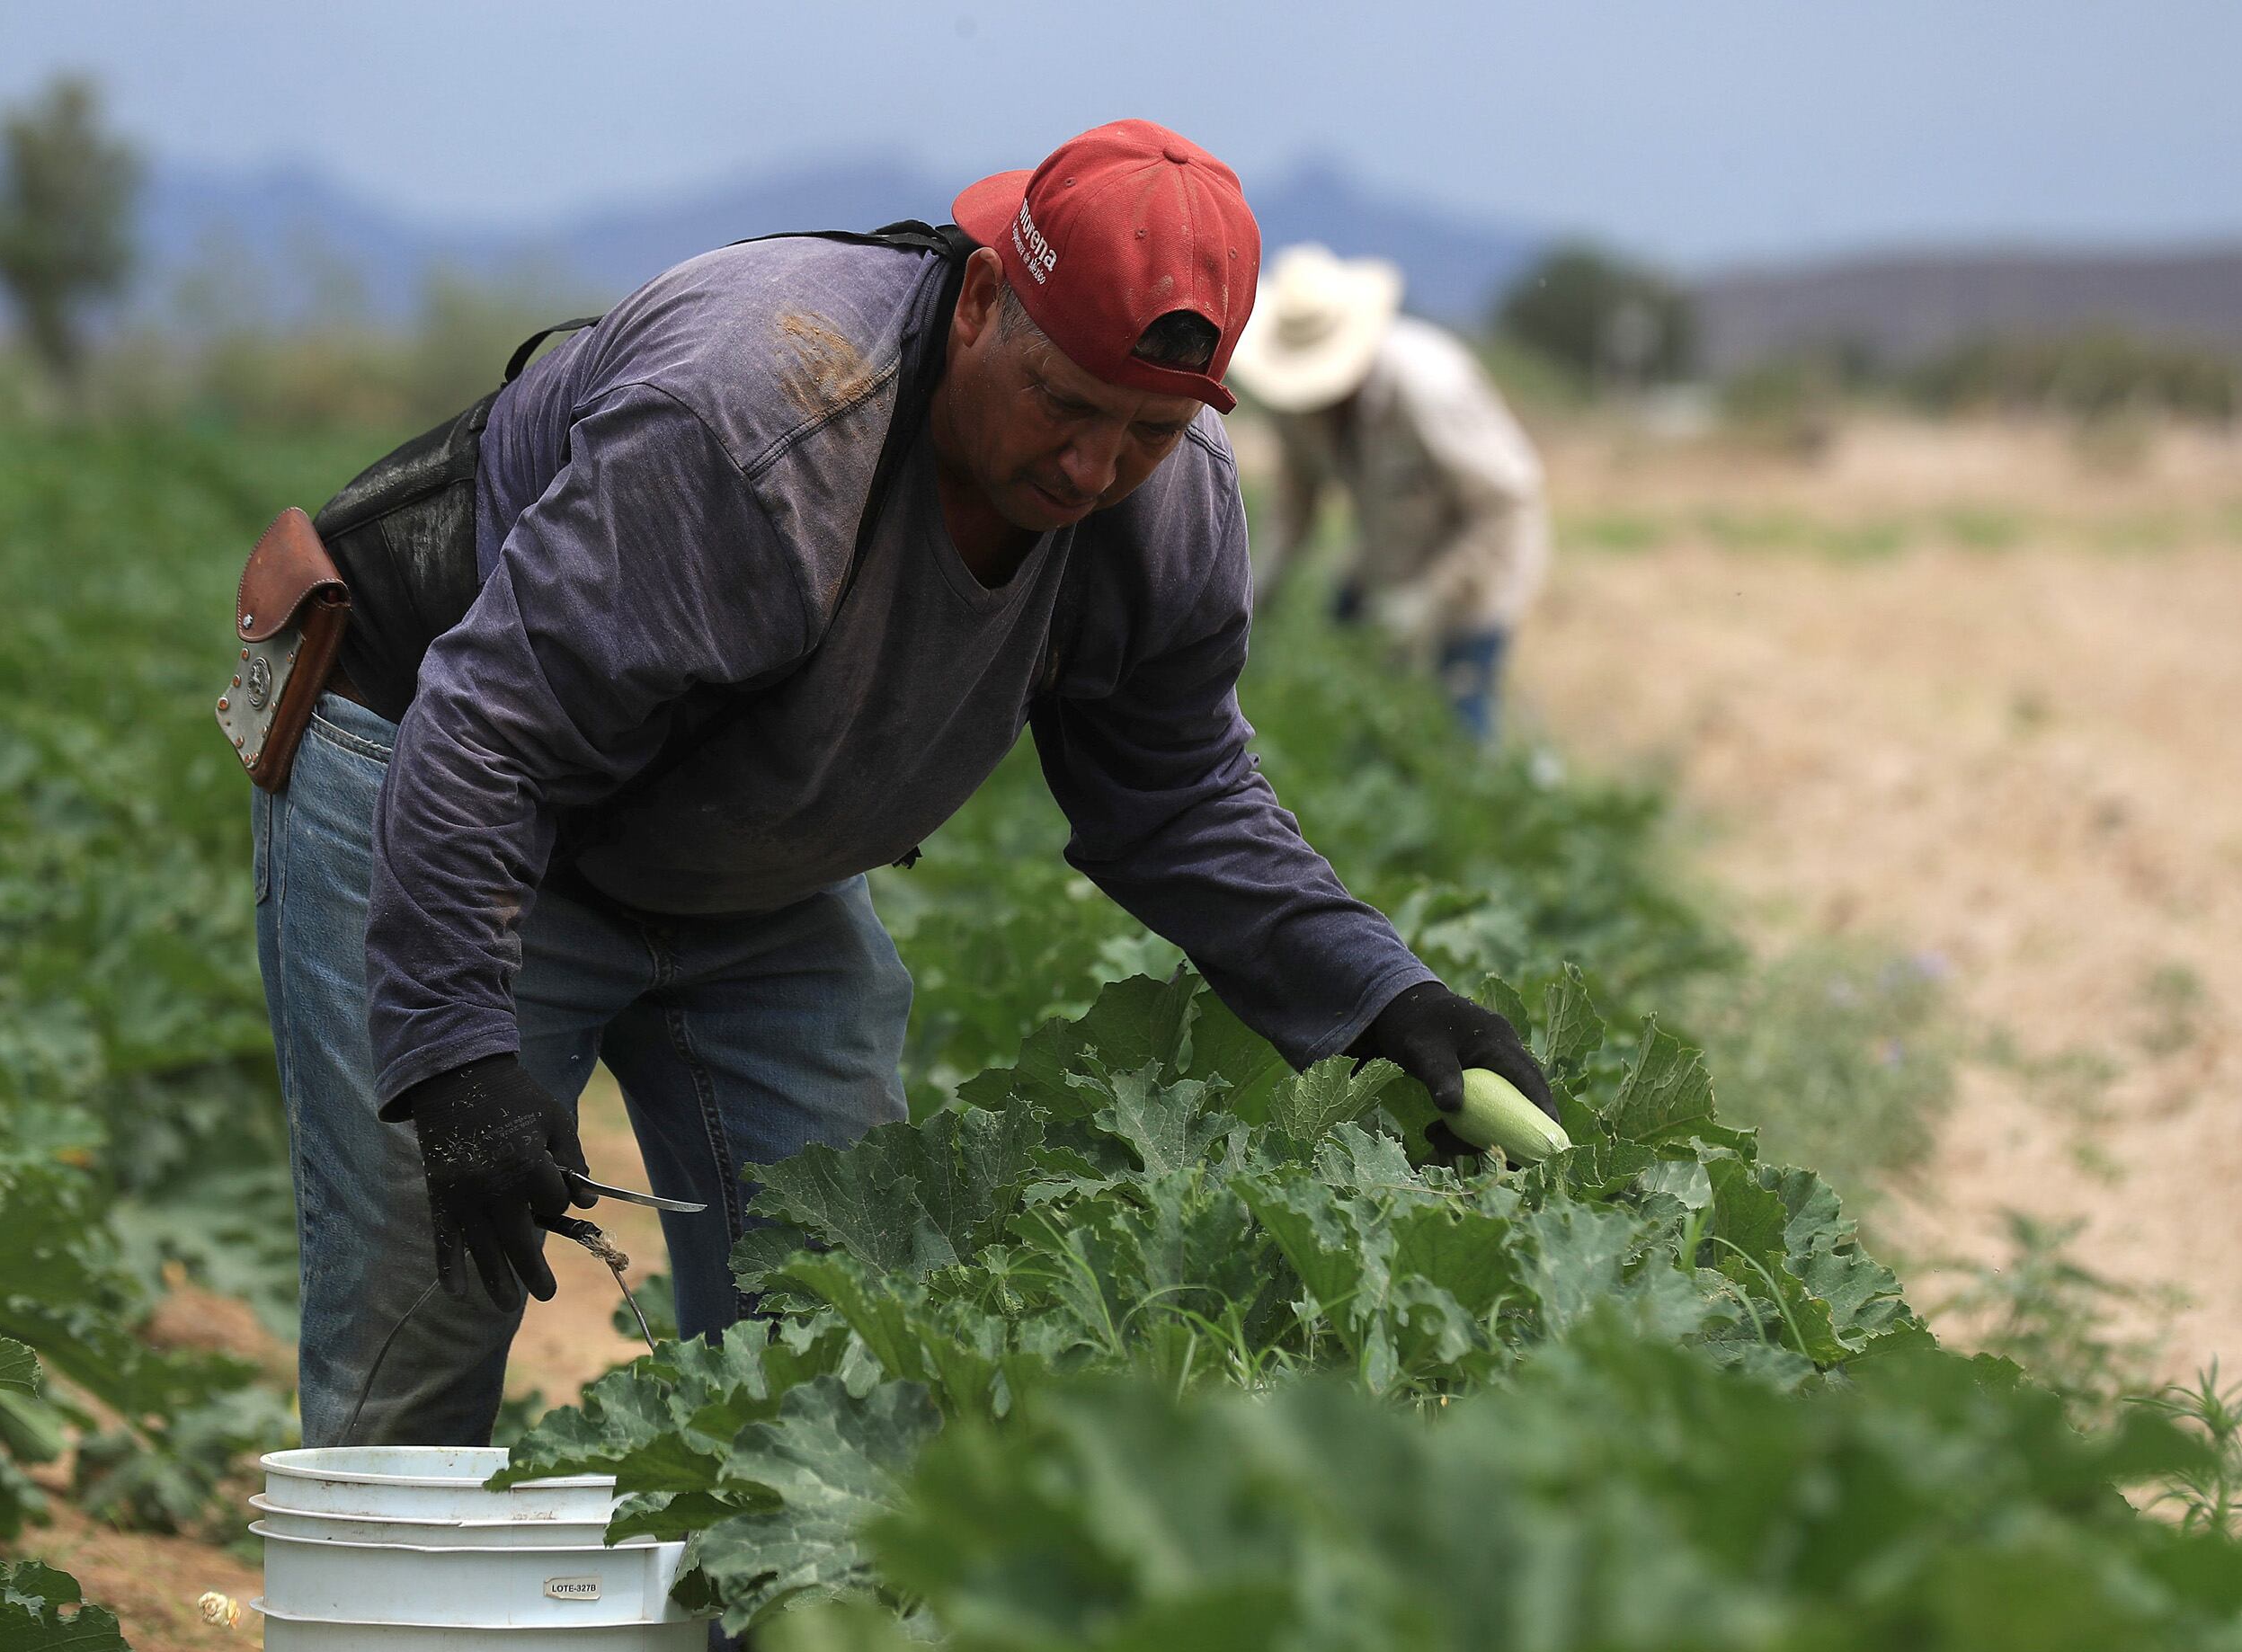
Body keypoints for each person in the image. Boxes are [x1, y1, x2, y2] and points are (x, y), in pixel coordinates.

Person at [253, 120, 1556, 1452]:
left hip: (746, 858)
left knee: (848, 1344)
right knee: (423, 1323)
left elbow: (1180, 796)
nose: (1092, 467)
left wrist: (1382, 998)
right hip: (438, 774)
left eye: (1150, 430)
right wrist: (457, 1054)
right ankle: (387, 1646)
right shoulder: (760, 416)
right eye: (1064, 403)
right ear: (985, 300)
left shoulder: (1165, 511)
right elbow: (492, 731)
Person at [1226, 243, 1552, 740]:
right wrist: (1249, 604)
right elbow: (1295, 510)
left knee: (1460, 717)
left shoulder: (1427, 387)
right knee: (1360, 706)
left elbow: (1507, 504)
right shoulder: (1295, 404)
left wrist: (1429, 599)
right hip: (1387, 556)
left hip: (1476, 570)